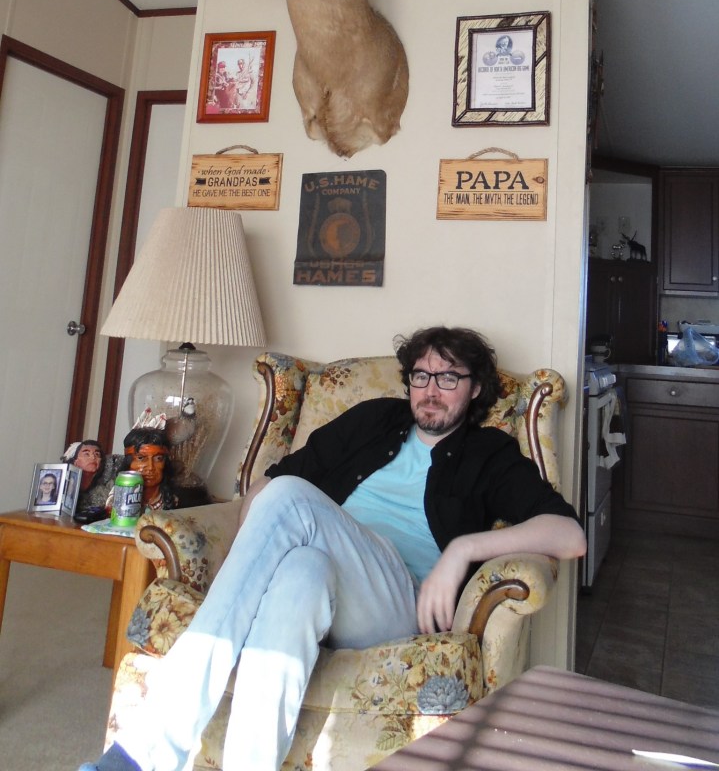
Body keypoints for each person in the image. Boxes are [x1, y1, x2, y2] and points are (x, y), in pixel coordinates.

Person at [79, 325, 586, 771]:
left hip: (396, 601)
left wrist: (463, 551)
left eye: (449, 377)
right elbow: (270, 482)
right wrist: (245, 566)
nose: (431, 390)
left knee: (291, 498)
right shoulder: (374, 420)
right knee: (300, 571)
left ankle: (148, 749)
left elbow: (569, 534)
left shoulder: (489, 452)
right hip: (326, 580)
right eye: (421, 375)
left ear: (474, 389)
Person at [108, 428, 179, 513]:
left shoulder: (174, 499)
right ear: (128, 462)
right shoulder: (117, 496)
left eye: (158, 458)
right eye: (141, 458)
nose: (150, 467)